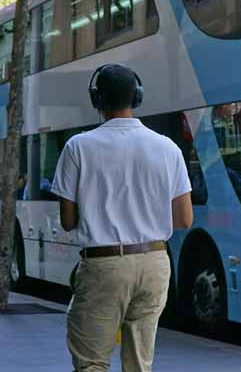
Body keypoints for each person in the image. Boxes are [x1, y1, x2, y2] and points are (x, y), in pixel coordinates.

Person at [51, 63, 193, 372]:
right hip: (155, 263)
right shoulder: (168, 148)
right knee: (140, 365)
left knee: (92, 363)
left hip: (105, 265)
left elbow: (67, 220)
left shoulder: (78, 147)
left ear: (96, 100)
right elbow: (184, 218)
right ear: (137, 96)